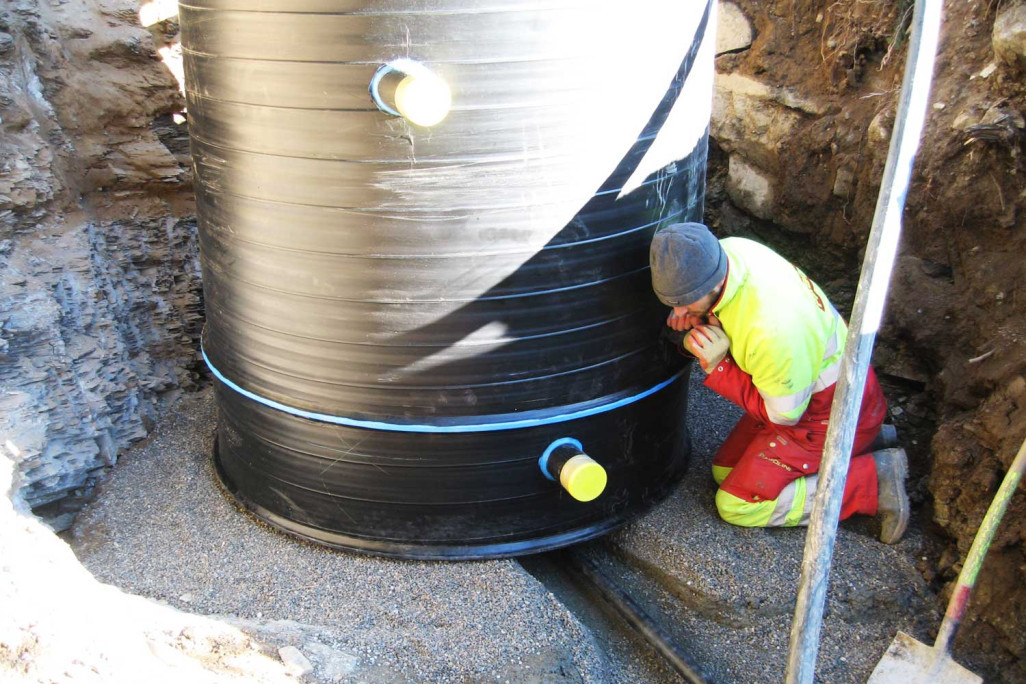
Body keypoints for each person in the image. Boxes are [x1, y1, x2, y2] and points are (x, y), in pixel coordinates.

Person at [649, 222, 909, 543]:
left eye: (685, 302)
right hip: (824, 386)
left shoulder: (772, 330)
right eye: (672, 302)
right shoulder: (731, 252)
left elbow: (783, 417)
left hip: (828, 413)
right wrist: (698, 315)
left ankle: (873, 480)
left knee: (738, 503)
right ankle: (865, 440)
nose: (677, 312)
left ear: (712, 283)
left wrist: (719, 365)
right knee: (724, 472)